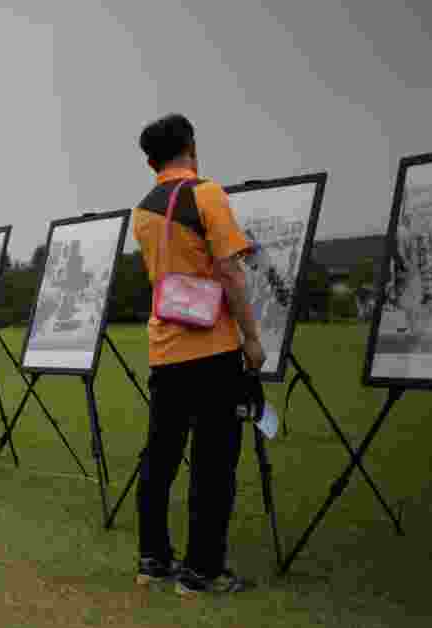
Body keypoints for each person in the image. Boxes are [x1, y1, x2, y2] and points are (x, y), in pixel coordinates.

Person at [132, 113, 266, 595]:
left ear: (150, 162)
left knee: (161, 457)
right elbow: (230, 272)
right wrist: (251, 338)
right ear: (191, 145)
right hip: (212, 347)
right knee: (213, 462)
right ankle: (203, 570)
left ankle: (154, 560)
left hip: (165, 349)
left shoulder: (142, 210)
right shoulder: (206, 193)